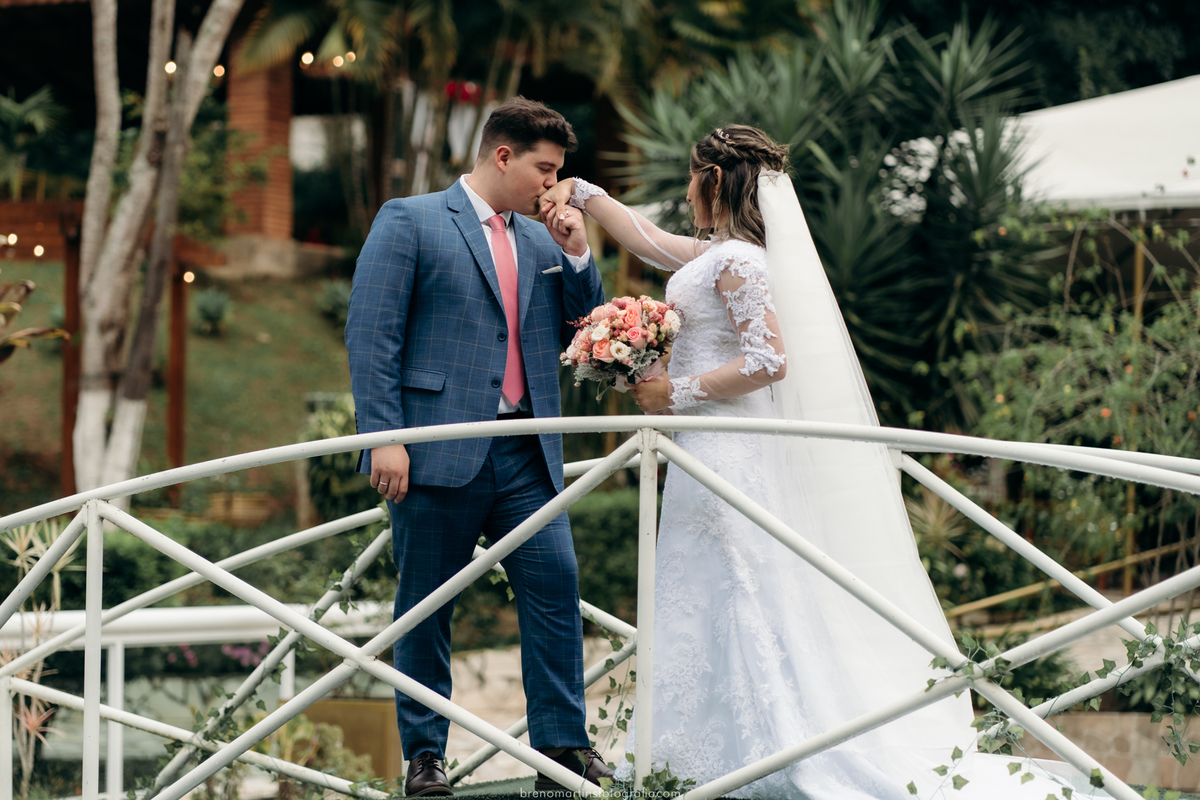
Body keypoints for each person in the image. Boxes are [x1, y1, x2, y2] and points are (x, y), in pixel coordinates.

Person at [538, 125, 1112, 799]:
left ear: (713, 181)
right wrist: (589, 194)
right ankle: (702, 752)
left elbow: (767, 361)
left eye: (693, 177)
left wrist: (675, 393)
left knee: (743, 588)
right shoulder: (722, 254)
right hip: (704, 449)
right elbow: (653, 242)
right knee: (707, 589)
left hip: (727, 448)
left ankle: (774, 748)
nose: (686, 189)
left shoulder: (742, 263)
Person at [345, 97, 612, 798]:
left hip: (527, 454)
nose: (551, 186)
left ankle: (561, 750)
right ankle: (425, 757)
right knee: (426, 605)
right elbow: (372, 338)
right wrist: (386, 440)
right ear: (503, 155)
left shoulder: (541, 238)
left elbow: (584, 333)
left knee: (556, 588)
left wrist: (578, 251)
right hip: (436, 451)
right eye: (543, 170)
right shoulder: (411, 220)